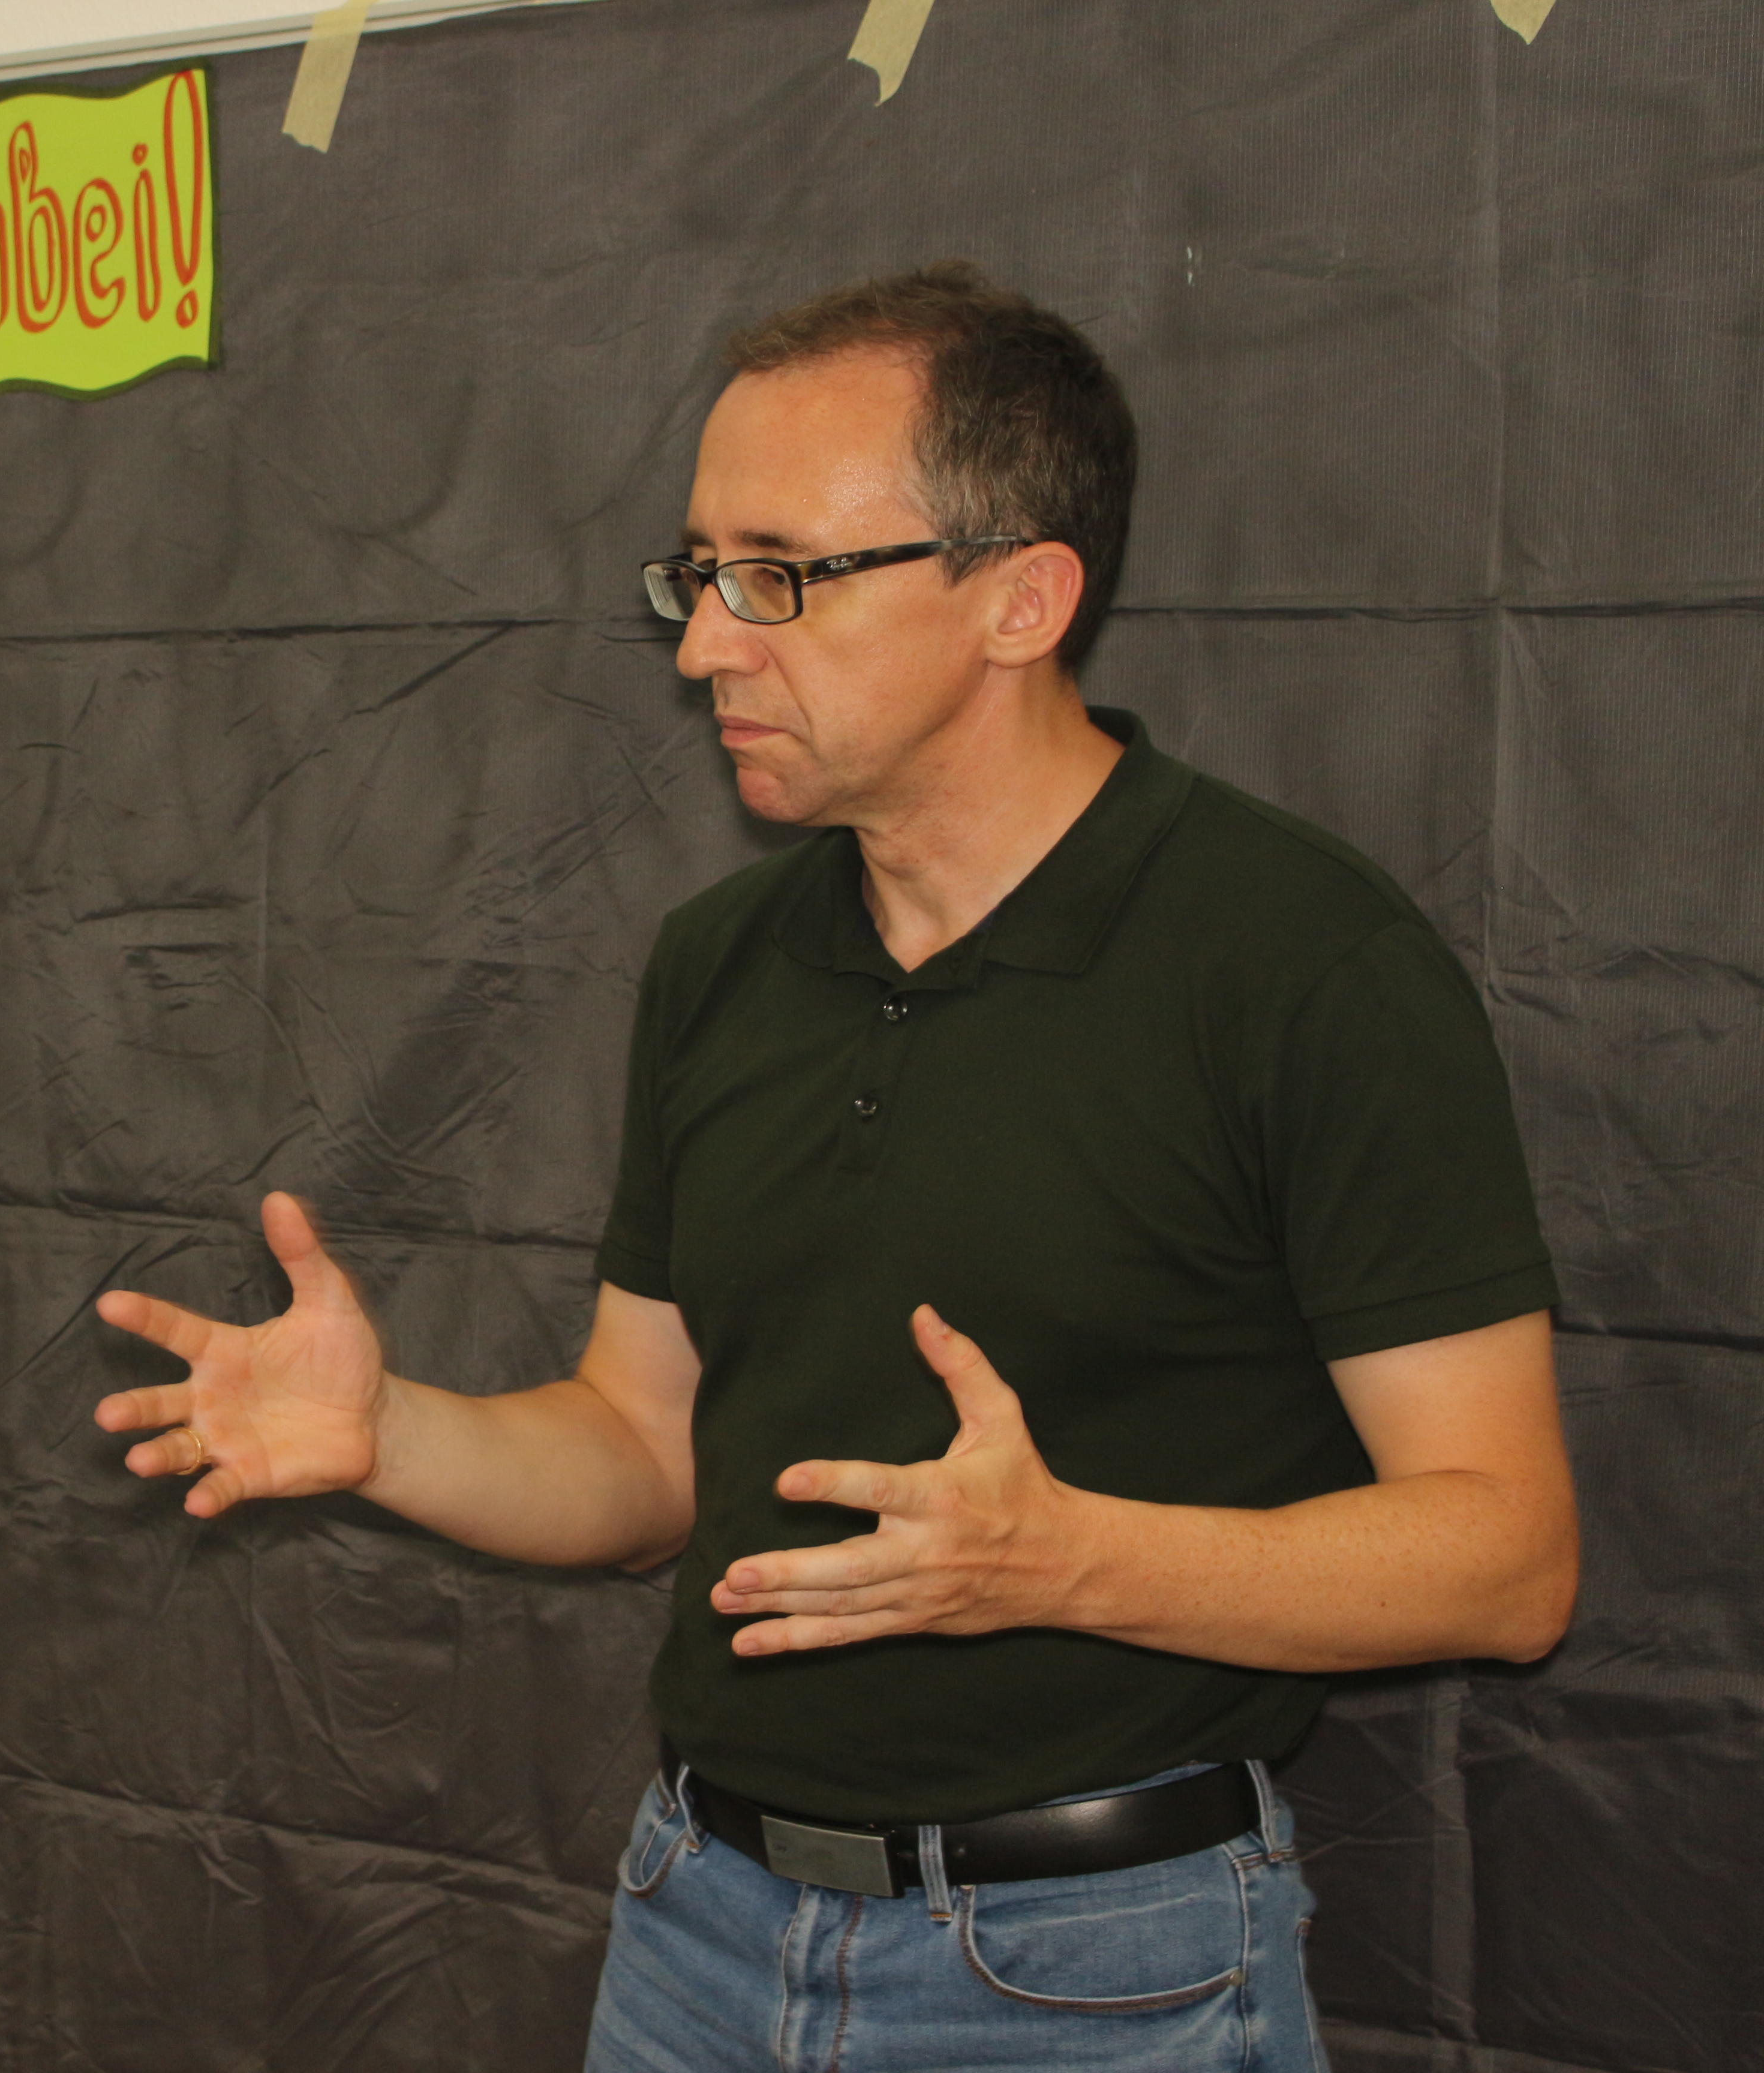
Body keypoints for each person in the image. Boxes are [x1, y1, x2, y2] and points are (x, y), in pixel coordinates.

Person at [89, 262, 1577, 2071]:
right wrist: (387, 1433)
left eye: (781, 577)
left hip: (1091, 1977)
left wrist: (1066, 1563)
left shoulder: (1298, 963)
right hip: (697, 1931)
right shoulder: (724, 962)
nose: (707, 644)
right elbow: (645, 1452)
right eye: (699, 574)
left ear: (1022, 598)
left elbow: (1508, 1560)